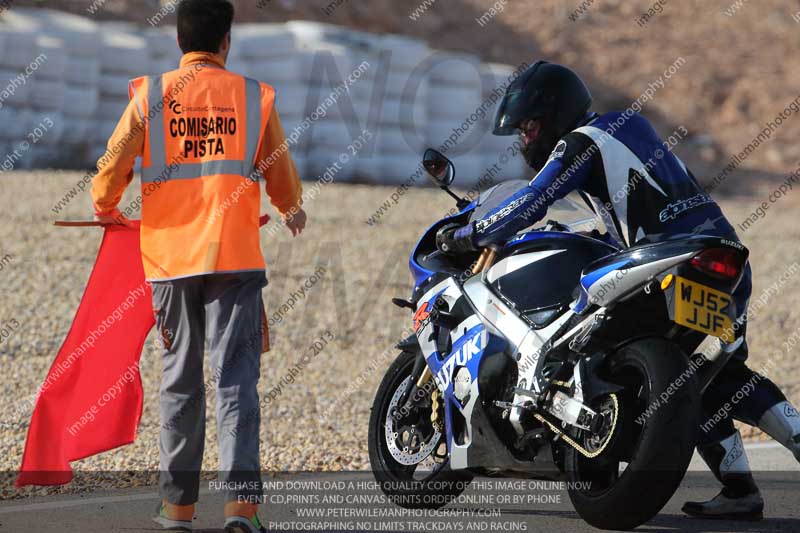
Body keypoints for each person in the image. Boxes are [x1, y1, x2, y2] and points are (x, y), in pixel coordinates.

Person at [437, 60, 800, 521]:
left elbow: (533, 199)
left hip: (663, 259)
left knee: (587, 341)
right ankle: (739, 489)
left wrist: (471, 235)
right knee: (713, 378)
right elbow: (645, 200)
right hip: (721, 256)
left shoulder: (581, 142)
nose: (526, 139)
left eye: (529, 127)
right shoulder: (634, 129)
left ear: (554, 112)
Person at [90, 1, 306, 531]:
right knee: (236, 382)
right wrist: (290, 207)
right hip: (235, 258)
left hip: (169, 260)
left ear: (180, 41)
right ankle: (242, 511)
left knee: (181, 382)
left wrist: (105, 205)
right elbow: (279, 169)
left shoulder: (151, 95)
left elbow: (113, 164)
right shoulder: (255, 97)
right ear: (226, 40)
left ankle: (178, 510)